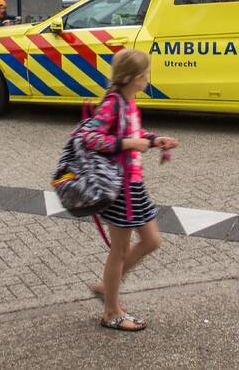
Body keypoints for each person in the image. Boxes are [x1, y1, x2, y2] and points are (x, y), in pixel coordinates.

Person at [80, 49, 179, 332]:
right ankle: (111, 311)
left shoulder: (128, 100)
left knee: (152, 240)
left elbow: (133, 133)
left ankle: (106, 287)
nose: (147, 78)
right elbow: (91, 137)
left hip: (134, 185)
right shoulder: (113, 103)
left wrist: (154, 139)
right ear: (133, 78)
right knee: (120, 250)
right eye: (145, 74)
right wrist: (127, 144)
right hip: (119, 187)